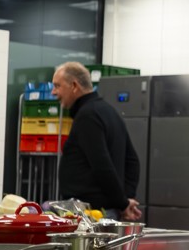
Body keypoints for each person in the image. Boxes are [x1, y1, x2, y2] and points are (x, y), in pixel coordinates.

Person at [53, 62, 142, 221]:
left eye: (57, 86)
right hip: (107, 211)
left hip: (94, 215)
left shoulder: (88, 116)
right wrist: (125, 200)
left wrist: (122, 203)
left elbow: (102, 166)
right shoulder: (108, 111)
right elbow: (133, 161)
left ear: (74, 86)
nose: (54, 92)